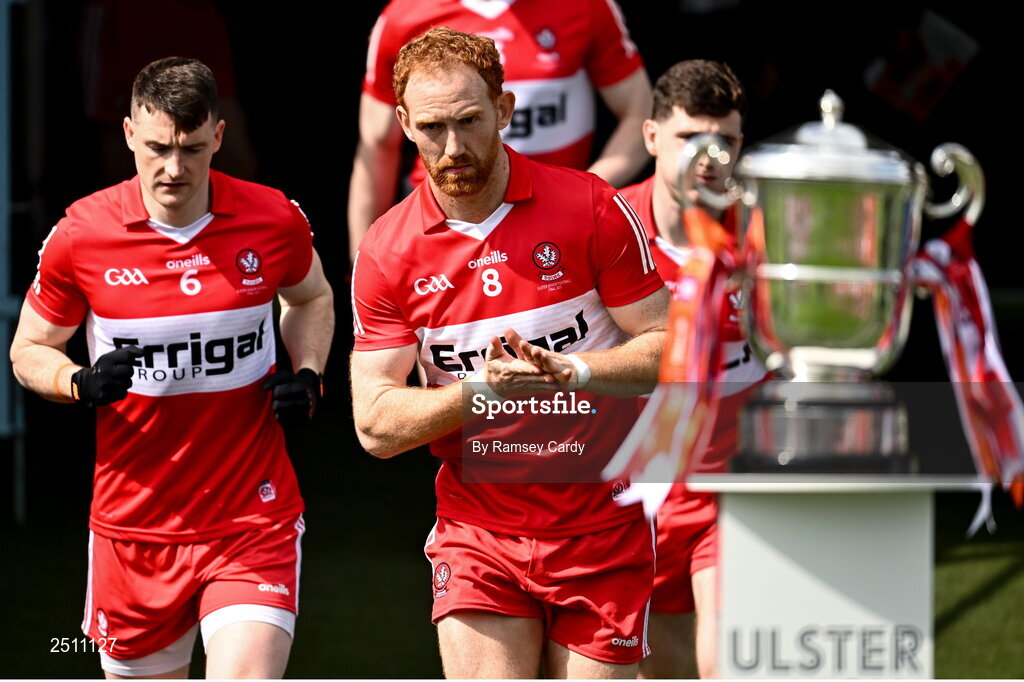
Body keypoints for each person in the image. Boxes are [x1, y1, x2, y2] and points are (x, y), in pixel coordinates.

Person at [349, 27, 669, 679]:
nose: (454, 147)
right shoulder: (386, 251)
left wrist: (571, 370)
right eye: (433, 127)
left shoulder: (589, 206)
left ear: (505, 110)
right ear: (404, 123)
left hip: (601, 521)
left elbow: (668, 350)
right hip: (479, 531)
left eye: (470, 121)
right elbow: (374, 426)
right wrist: (482, 393)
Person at [9, 57, 334, 679]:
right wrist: (76, 380)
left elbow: (312, 296)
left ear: (217, 134)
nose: (174, 168)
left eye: (190, 148)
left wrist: (309, 369)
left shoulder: (272, 219)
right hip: (134, 528)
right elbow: (28, 350)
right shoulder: (82, 234)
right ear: (129, 133)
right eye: (157, 147)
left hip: (251, 515)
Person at [618, 59, 768, 679]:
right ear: (651, 137)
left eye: (725, 140)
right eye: (689, 138)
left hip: (735, 486)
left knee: (730, 657)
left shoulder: (767, 233)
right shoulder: (604, 229)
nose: (708, 157)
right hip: (626, 495)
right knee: (663, 666)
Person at [347, 0, 653, 261]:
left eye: (471, 119)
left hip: (562, 228)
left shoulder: (586, 5)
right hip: (442, 230)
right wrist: (363, 262)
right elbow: (377, 146)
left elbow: (640, 114)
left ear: (505, 109)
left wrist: (581, 195)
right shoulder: (403, 15)